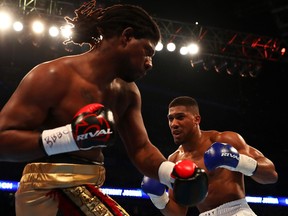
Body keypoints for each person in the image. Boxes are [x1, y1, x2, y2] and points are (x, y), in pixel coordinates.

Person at [0, 1, 194, 215]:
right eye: (147, 51)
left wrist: (172, 174)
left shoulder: (127, 92)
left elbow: (141, 148)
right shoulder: (53, 76)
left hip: (87, 187)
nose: (149, 63)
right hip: (46, 190)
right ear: (127, 36)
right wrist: (68, 137)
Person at [142, 96, 278, 216]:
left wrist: (239, 161)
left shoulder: (224, 140)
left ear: (196, 119)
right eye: (170, 119)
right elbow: (178, 212)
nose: (174, 124)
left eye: (180, 117)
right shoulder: (174, 160)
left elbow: (271, 175)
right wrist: (158, 198)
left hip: (237, 211)